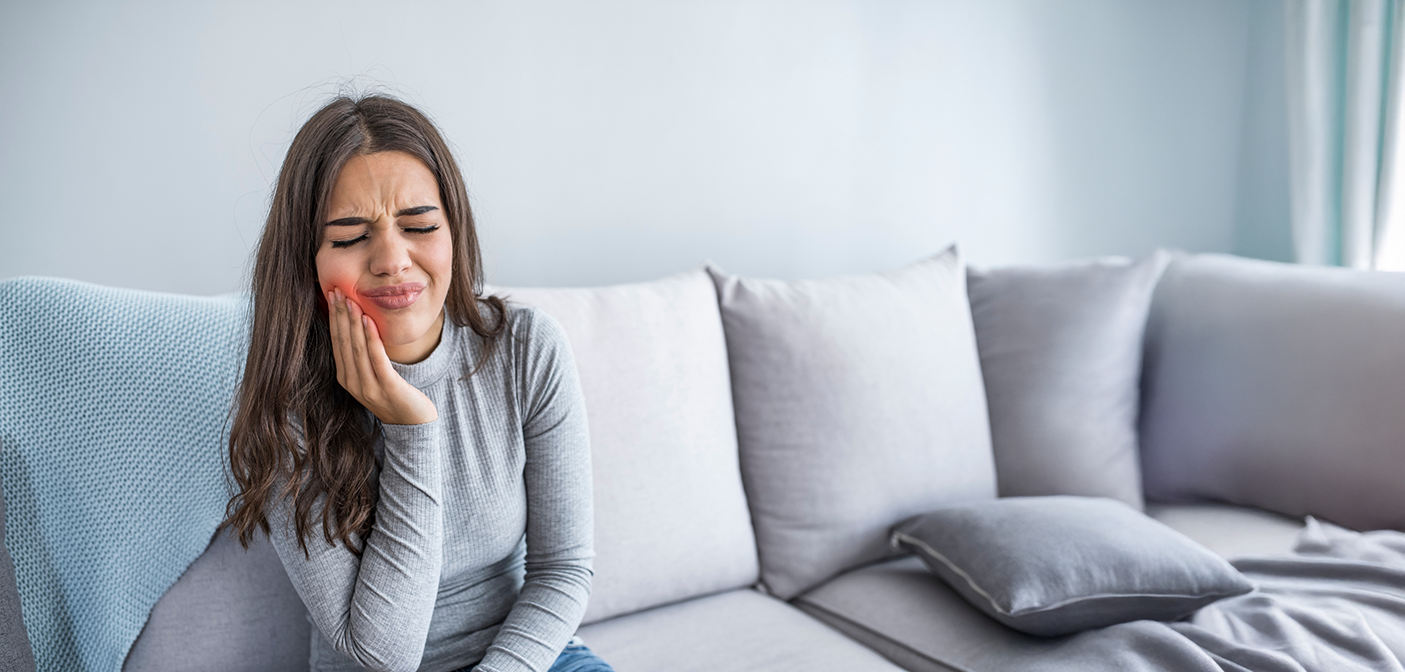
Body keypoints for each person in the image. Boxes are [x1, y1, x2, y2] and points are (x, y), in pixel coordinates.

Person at [218, 94, 613, 672]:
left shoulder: (528, 348)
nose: (393, 260)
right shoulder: (288, 411)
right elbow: (384, 656)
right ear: (306, 260)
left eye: (420, 225)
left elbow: (563, 569)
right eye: (350, 237)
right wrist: (412, 428)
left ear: (453, 231)